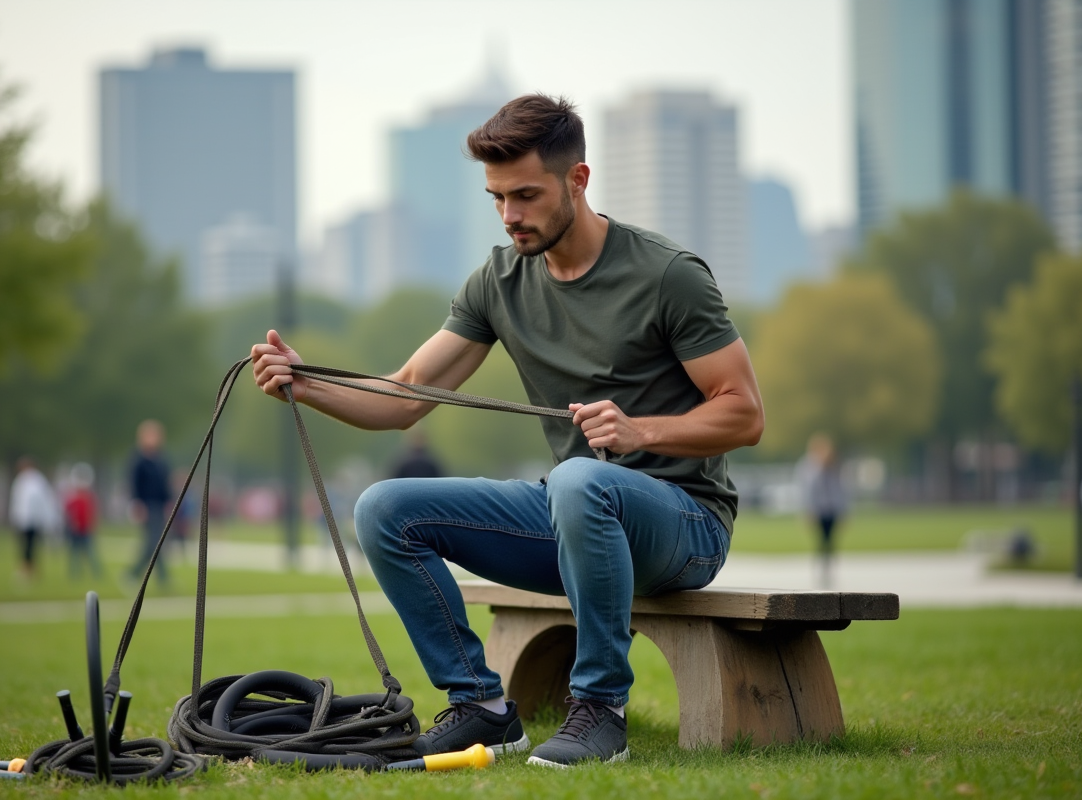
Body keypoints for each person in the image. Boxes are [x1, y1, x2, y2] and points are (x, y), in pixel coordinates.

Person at [251, 94, 764, 768]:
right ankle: (481, 707)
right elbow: (406, 394)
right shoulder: (497, 282)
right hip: (573, 513)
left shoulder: (667, 275)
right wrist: (304, 384)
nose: (510, 215)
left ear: (577, 181)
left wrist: (641, 429)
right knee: (384, 508)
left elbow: (744, 412)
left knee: (581, 481)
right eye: (497, 198)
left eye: (525, 195)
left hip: (685, 524)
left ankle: (601, 710)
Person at [795, 433, 847, 588]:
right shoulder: (809, 467)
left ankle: (827, 567)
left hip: (831, 509)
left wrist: (843, 509)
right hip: (819, 510)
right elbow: (807, 491)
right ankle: (823, 567)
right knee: (822, 539)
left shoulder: (834, 467)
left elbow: (841, 490)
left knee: (829, 539)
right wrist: (808, 511)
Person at [128, 419, 172, 587]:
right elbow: (135, 484)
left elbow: (164, 484)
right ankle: (134, 572)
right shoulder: (139, 460)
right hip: (146, 505)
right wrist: (137, 504)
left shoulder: (160, 459)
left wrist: (168, 502)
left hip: (159, 505)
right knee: (153, 542)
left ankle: (161, 578)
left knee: (158, 541)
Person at [9, 456, 60, 580]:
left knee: (30, 547)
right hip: (24, 519)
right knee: (26, 547)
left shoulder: (36, 480)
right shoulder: (22, 480)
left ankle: (30, 571)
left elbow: (39, 501)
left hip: (33, 520)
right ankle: (29, 570)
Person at [63, 462, 103, 580]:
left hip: (85, 529)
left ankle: (96, 573)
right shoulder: (73, 497)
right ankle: (74, 574)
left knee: (90, 553)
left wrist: (92, 524)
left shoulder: (88, 498)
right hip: (75, 530)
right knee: (74, 554)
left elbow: (92, 513)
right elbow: (69, 512)